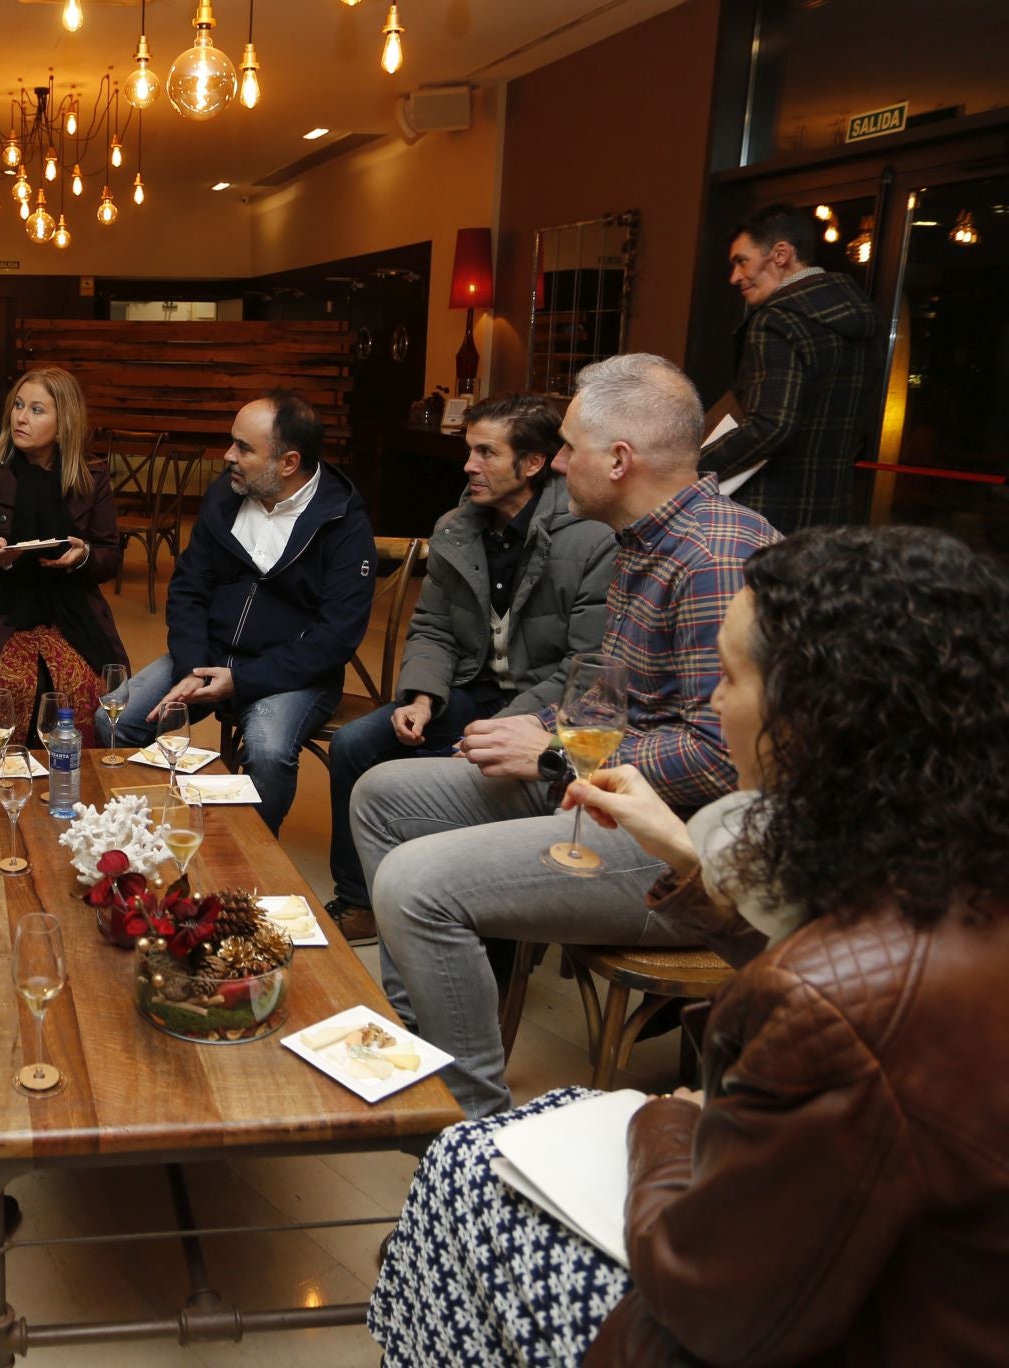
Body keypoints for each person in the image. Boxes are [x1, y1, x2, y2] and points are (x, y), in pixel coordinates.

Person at [368, 525, 1009, 1366]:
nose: (712, 702)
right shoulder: (952, 855)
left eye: (732, 678)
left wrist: (667, 1121)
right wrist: (677, 845)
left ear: (817, 716)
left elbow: (710, 1303)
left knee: (461, 1179)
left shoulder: (836, 1003)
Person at [350, 354, 780, 1119]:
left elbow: (718, 760)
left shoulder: (713, 557)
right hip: (596, 787)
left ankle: (465, 1120)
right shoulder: (643, 540)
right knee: (382, 794)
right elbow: (616, 701)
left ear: (619, 460)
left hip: (671, 843)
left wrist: (549, 751)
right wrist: (538, 727)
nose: (559, 462)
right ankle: (419, 1037)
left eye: (570, 447)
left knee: (416, 882)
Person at [325, 393, 614, 944]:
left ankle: (461, 903)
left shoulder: (590, 537)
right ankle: (361, 901)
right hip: (467, 691)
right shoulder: (457, 526)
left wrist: (509, 726)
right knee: (356, 745)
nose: (468, 466)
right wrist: (421, 698)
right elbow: (432, 626)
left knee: (462, 769)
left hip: (539, 710)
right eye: (469, 451)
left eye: (486, 453)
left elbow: (585, 668)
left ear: (532, 464)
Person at [100, 390, 376, 834]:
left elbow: (336, 637)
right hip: (207, 654)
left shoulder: (343, 524)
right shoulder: (225, 497)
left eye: (243, 447)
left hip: (292, 674)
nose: (228, 455)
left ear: (288, 463)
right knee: (113, 717)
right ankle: (130, 837)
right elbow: (188, 587)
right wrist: (192, 664)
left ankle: (251, 859)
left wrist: (243, 680)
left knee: (267, 751)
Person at [0, 367, 127, 744]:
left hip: (70, 603)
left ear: (64, 423)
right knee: (17, 683)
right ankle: (13, 774)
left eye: (37, 410)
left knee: (88, 683)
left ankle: (72, 779)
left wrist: (84, 556)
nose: (21, 418)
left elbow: (109, 556)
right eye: (18, 405)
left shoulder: (91, 474)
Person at [700, 202, 880, 531]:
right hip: (830, 506)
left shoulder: (778, 320)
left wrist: (690, 467)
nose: (735, 277)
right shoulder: (860, 316)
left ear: (781, 254)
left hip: (768, 508)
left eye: (742, 261)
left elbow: (771, 425)